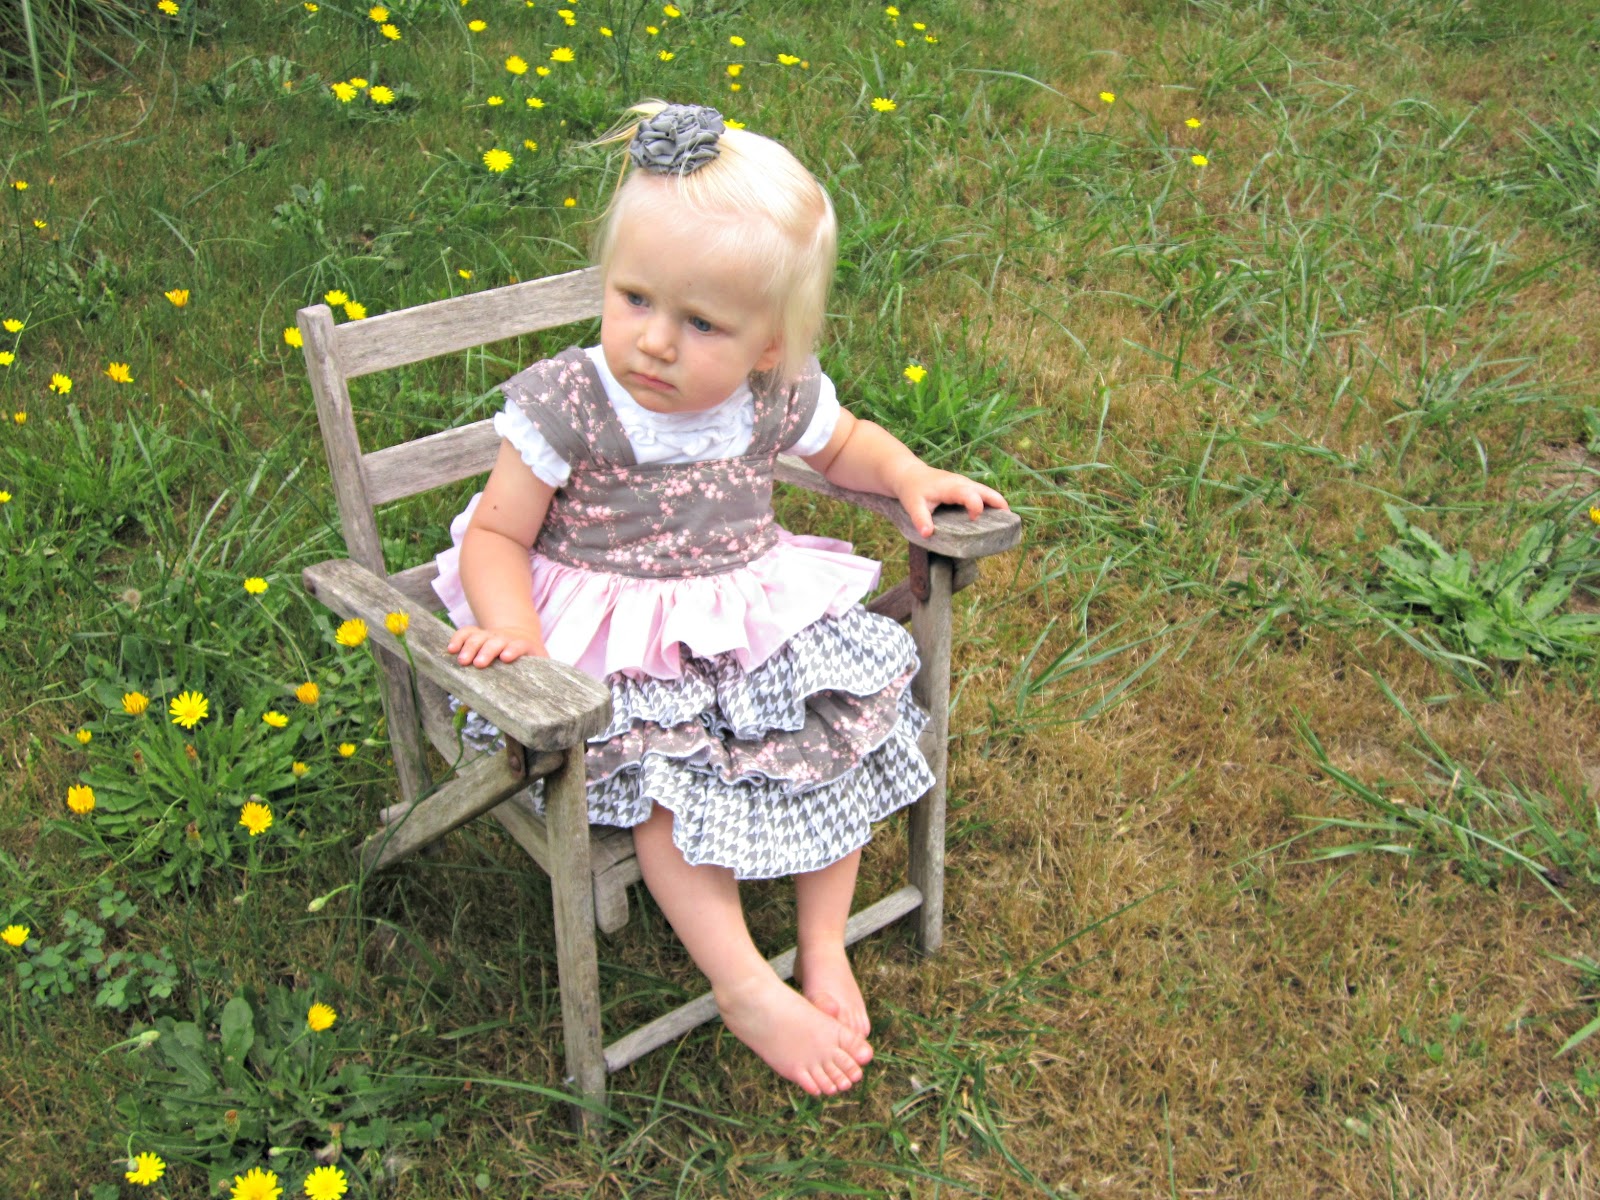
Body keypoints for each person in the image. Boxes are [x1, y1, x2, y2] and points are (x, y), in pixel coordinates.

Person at [432, 101, 1009, 1097]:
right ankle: (743, 985)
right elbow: (496, 535)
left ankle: (822, 944)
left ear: (768, 346)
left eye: (700, 323)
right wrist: (515, 630)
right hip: (618, 638)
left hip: (744, 619)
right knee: (670, 781)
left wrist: (907, 474)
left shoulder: (770, 395)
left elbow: (844, 445)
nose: (654, 342)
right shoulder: (570, 403)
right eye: (634, 298)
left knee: (839, 729)